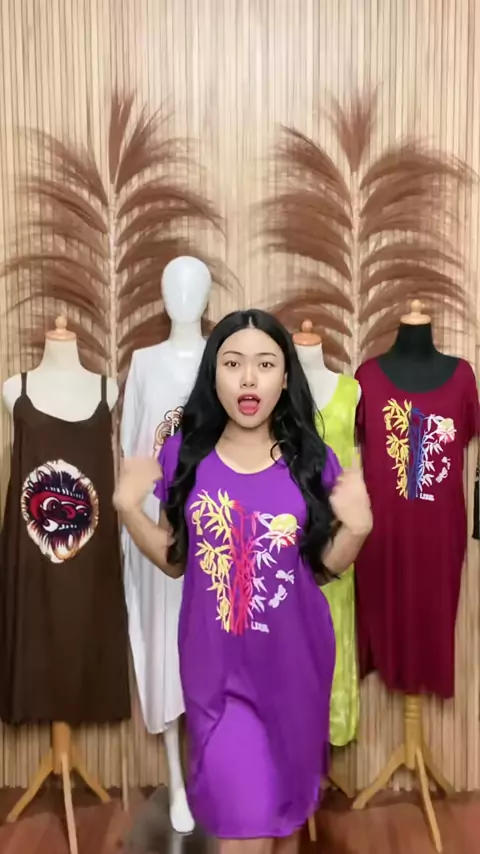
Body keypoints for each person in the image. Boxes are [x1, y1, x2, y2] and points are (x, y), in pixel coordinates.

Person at [114, 309, 372, 854]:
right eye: (233, 364)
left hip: (296, 671)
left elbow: (321, 568)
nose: (249, 379)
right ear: (214, 374)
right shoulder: (184, 455)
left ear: (286, 376)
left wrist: (357, 530)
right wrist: (129, 510)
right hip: (218, 679)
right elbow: (176, 560)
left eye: (265, 364)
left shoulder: (312, 461)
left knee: (282, 826)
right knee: (243, 832)